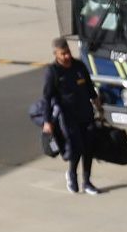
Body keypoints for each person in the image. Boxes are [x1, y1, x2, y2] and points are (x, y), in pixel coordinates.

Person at [39, 38, 102, 195]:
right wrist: (47, 121)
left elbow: (89, 88)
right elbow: (46, 97)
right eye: (63, 54)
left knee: (89, 148)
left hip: (85, 112)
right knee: (76, 148)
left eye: (68, 52)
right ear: (56, 54)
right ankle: (72, 175)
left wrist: (98, 106)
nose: (67, 56)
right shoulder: (53, 72)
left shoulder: (79, 66)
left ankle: (87, 182)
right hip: (67, 117)